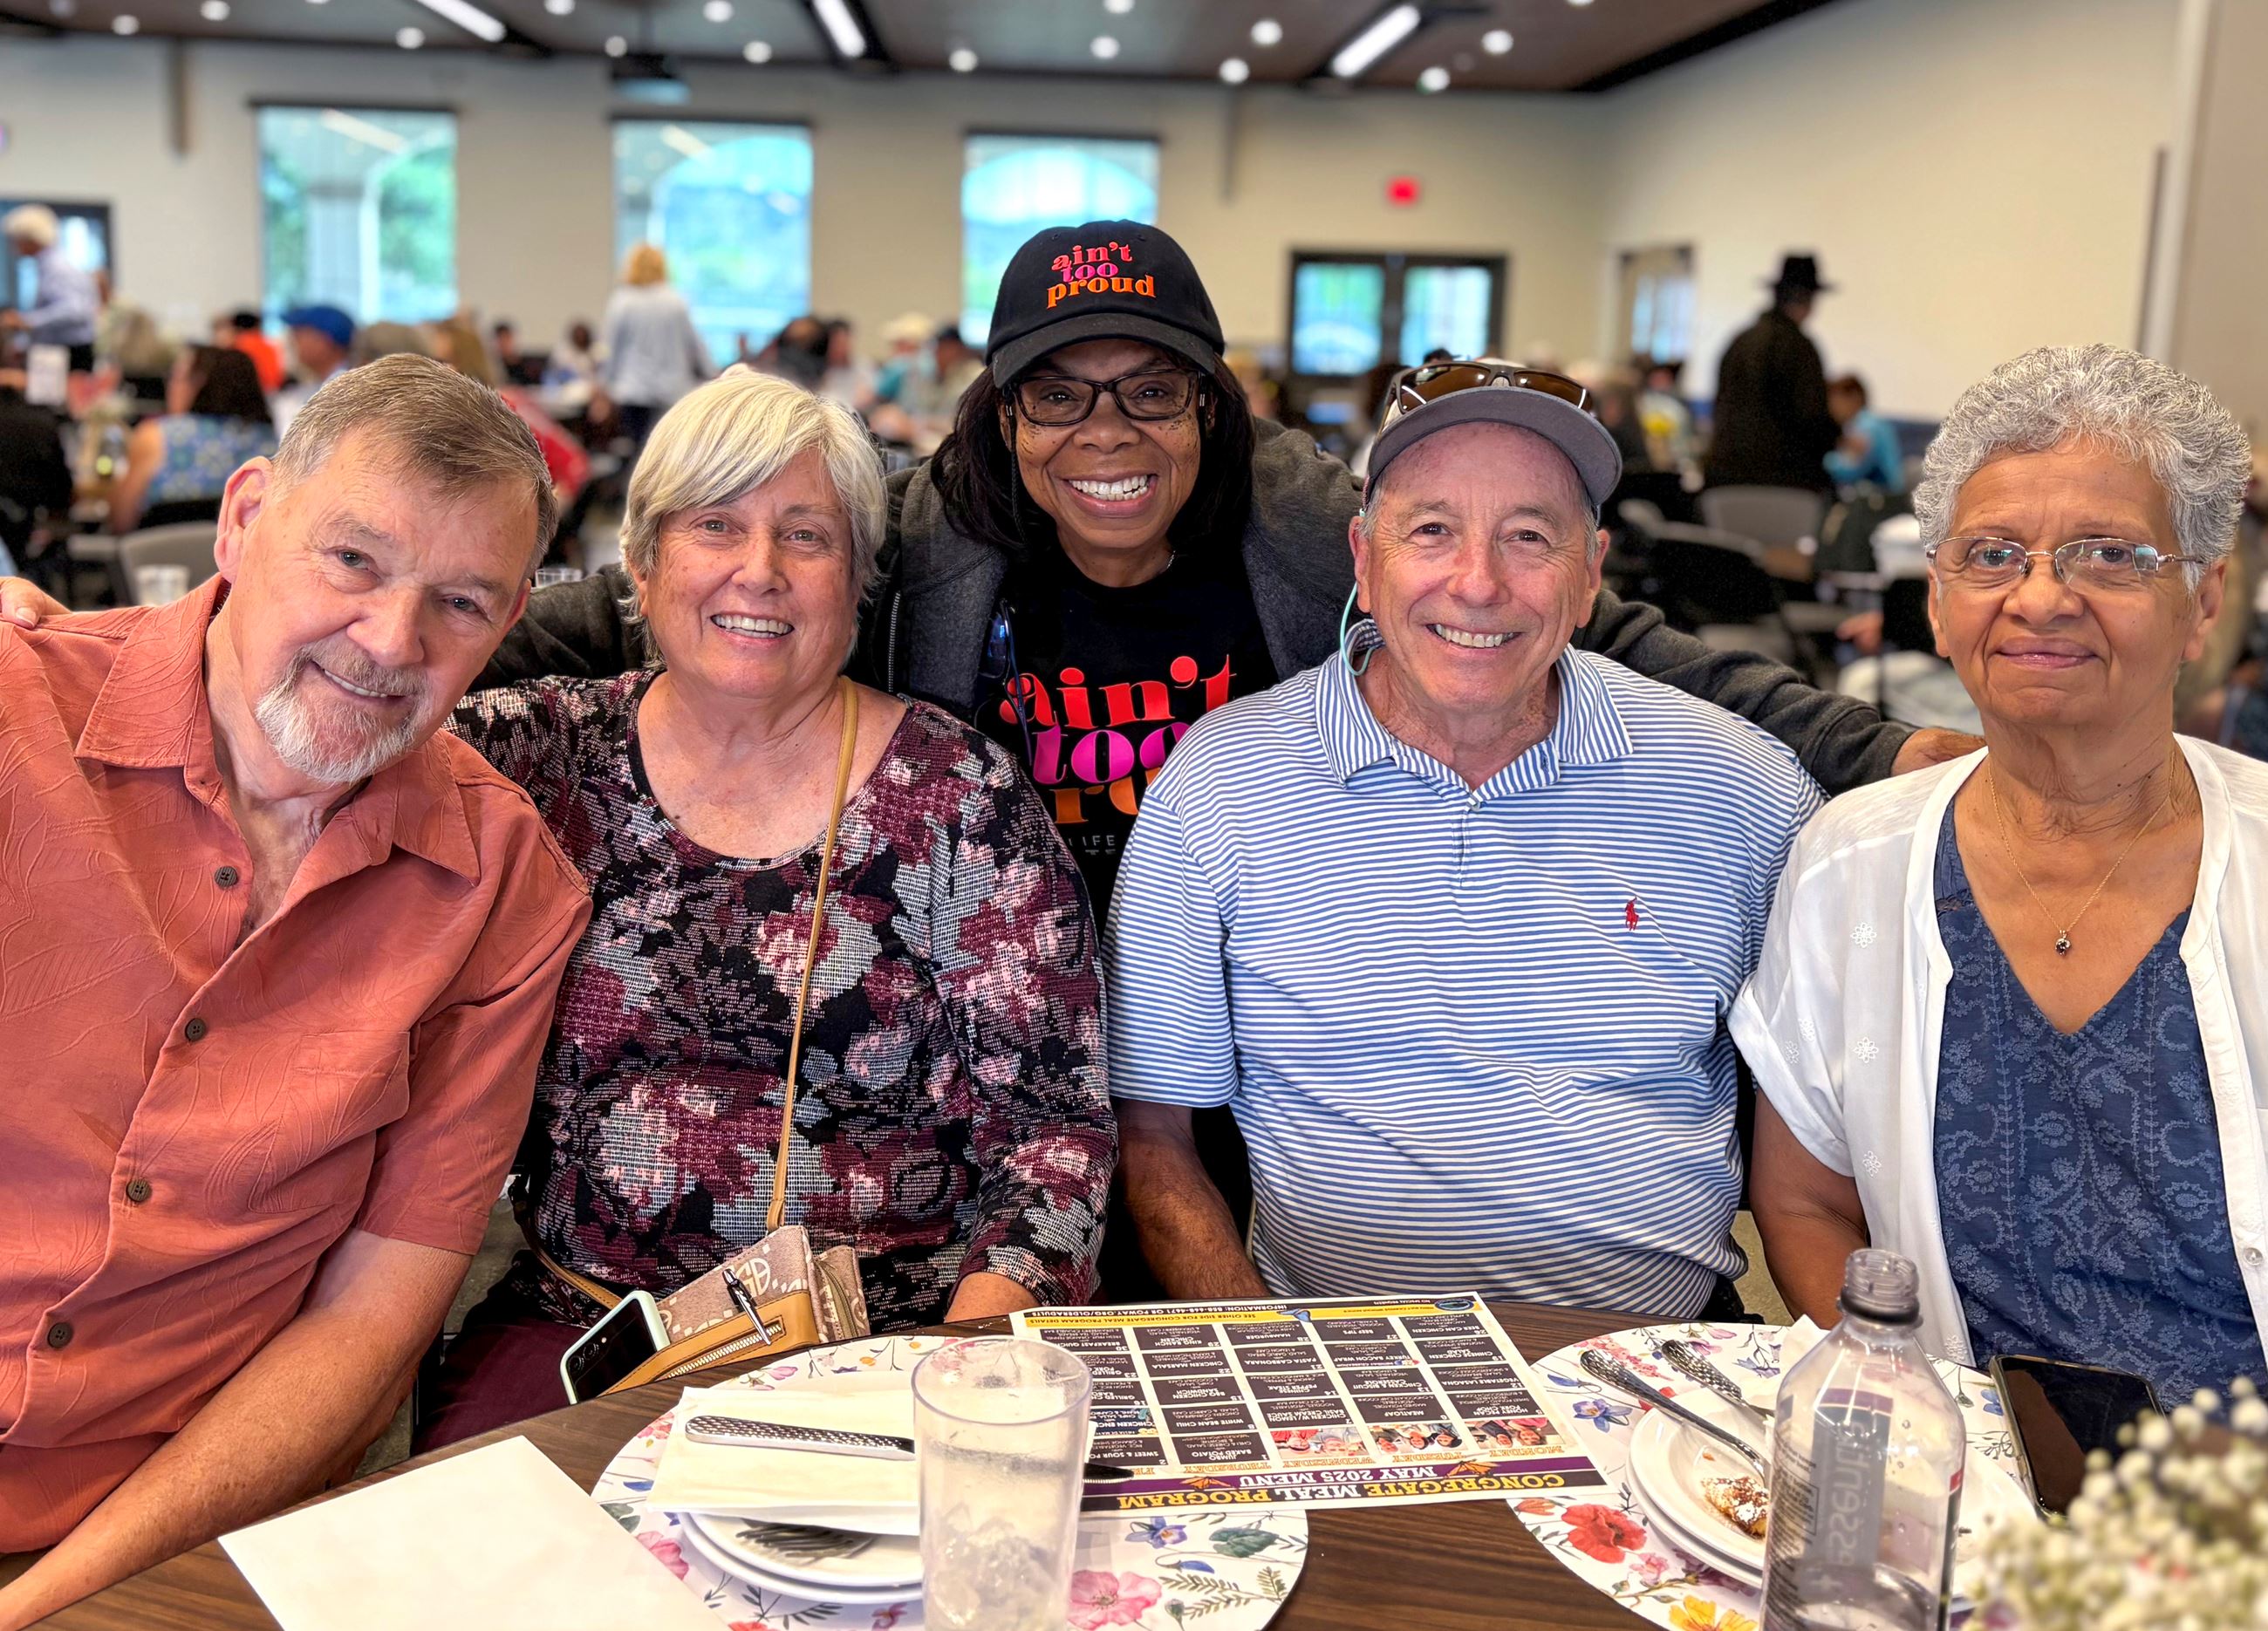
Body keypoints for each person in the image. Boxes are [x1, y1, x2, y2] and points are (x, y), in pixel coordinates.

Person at [412, 371, 1111, 1448]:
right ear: (640, 565)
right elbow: (314, 708)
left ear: (859, 579)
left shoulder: (961, 800)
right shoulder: (538, 760)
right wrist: (69, 640)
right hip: (580, 1329)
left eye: (806, 536)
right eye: (716, 525)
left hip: (887, 1351)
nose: (760, 571)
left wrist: (959, 1385)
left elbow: (1053, 1140)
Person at [0, 353, 591, 1620]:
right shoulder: (17, 716)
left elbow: (367, 1323)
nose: (390, 642)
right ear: (246, 514)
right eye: (354, 561)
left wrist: (53, 1601)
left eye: (463, 603)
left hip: (177, 1525)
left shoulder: (501, 888)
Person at [1105, 360, 1821, 1314]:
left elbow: (1825, 1145)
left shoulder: (1740, 788)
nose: (1476, 583)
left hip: (1655, 1366)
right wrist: (1272, 1368)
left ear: (1590, 574)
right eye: (1431, 530)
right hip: (1343, 1362)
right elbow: (1154, 1135)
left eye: (1528, 537)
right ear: (1362, 557)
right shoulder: (1223, 781)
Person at [1733, 344, 2268, 1404]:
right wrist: (1909, 1414)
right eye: (1990, 555)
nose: (2039, 598)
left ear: (2203, 600)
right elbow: (1803, 1207)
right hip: (1950, 1473)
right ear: (1937, 602)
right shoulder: (1852, 859)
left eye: (2107, 555)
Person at [1704, 254, 1840, 491]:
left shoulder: (1739, 341)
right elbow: (1810, 421)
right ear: (1808, 301)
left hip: (1723, 480)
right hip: (1781, 486)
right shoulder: (1799, 348)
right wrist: (1837, 435)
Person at [106, 345, 275, 534]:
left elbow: (121, 519)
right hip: (243, 558)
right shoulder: (270, 441)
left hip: (162, 556)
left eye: (176, 377)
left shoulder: (155, 436)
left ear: (198, 383)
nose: (170, 386)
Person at [601, 242, 711, 453]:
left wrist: (603, 386)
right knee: (667, 455)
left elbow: (610, 351)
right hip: (672, 393)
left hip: (633, 394)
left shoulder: (622, 301)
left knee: (639, 453)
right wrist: (713, 374)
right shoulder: (676, 301)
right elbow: (695, 347)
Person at [0, 205, 99, 372]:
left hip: (71, 353)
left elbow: (74, 310)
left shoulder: (57, 268)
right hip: (64, 350)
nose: (13, 246)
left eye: (15, 240)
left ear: (29, 239)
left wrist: (27, 321)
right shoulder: (47, 267)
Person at [270, 304, 356, 439]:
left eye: (298, 336)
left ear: (324, 341)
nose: (292, 343)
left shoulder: (347, 394)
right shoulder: (312, 387)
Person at [1825, 372, 1905, 493]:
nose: (1830, 407)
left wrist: (1820, 462)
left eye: (1834, 399)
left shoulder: (1868, 426)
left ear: (1854, 398)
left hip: (1882, 499)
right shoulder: (1856, 425)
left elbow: (1851, 469)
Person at [224, 310, 285, 393]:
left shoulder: (238, 347)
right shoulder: (270, 346)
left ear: (237, 328)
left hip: (251, 395)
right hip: (274, 392)